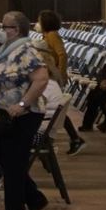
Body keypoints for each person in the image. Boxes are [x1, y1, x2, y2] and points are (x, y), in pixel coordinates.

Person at [0, 11, 51, 210]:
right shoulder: (5, 51)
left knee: (13, 162)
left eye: (4, 26)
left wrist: (22, 104)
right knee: (4, 157)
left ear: (16, 30)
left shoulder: (25, 51)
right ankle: (35, 198)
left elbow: (41, 79)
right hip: (4, 115)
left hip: (24, 115)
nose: (0, 30)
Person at [32, 10, 83, 155]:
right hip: (49, 73)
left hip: (52, 75)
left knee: (56, 108)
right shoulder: (47, 36)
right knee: (56, 109)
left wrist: (61, 74)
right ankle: (74, 138)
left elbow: (62, 54)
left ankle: (74, 139)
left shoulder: (53, 35)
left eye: (39, 20)